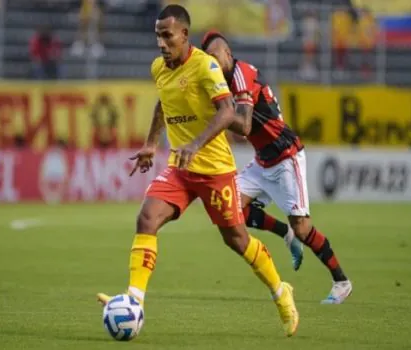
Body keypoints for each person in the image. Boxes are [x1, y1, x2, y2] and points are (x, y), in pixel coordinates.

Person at [96, 4, 299, 337]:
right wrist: (150, 143)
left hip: (215, 169)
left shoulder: (205, 66)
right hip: (180, 168)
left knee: (236, 239)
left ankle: (281, 291)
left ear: (184, 35)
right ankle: (134, 301)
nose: (161, 43)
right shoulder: (159, 68)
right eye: (158, 36)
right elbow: (164, 102)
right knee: (146, 219)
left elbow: (227, 110)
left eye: (167, 35)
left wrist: (196, 144)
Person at [201, 30, 353, 304]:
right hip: (263, 159)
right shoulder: (219, 82)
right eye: (206, 59)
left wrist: (219, 117)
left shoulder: (240, 73)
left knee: (304, 228)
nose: (211, 63)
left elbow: (244, 124)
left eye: (214, 57)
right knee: (231, 206)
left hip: (286, 156)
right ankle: (285, 233)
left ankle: (341, 281)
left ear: (227, 53)